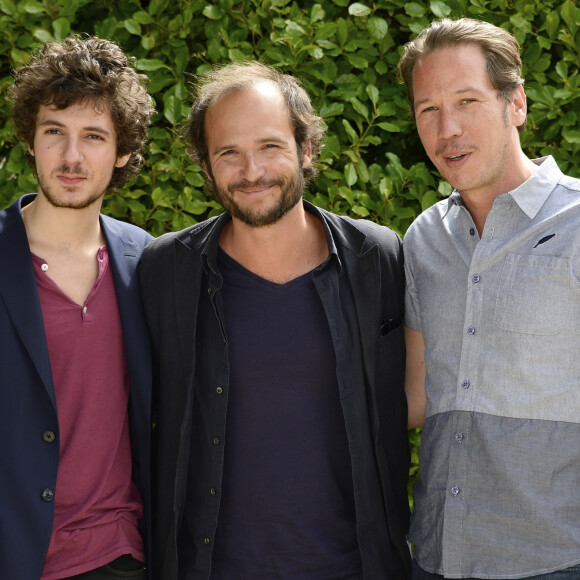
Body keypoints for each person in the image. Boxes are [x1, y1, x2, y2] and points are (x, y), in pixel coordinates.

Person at [139, 61, 410, 580]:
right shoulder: (166, 270)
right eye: (229, 153)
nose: (251, 171)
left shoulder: (375, 258)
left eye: (270, 146)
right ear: (206, 165)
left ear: (305, 149)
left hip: (355, 568)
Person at [398, 17, 580, 580]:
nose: (447, 127)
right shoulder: (423, 238)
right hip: (437, 556)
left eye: (467, 101)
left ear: (517, 103)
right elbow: (414, 394)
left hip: (555, 559)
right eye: (428, 109)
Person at [0, 36, 155, 579]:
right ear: (30, 139)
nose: (71, 156)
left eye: (93, 136)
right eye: (54, 132)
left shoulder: (147, 262)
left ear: (123, 151)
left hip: (118, 553)